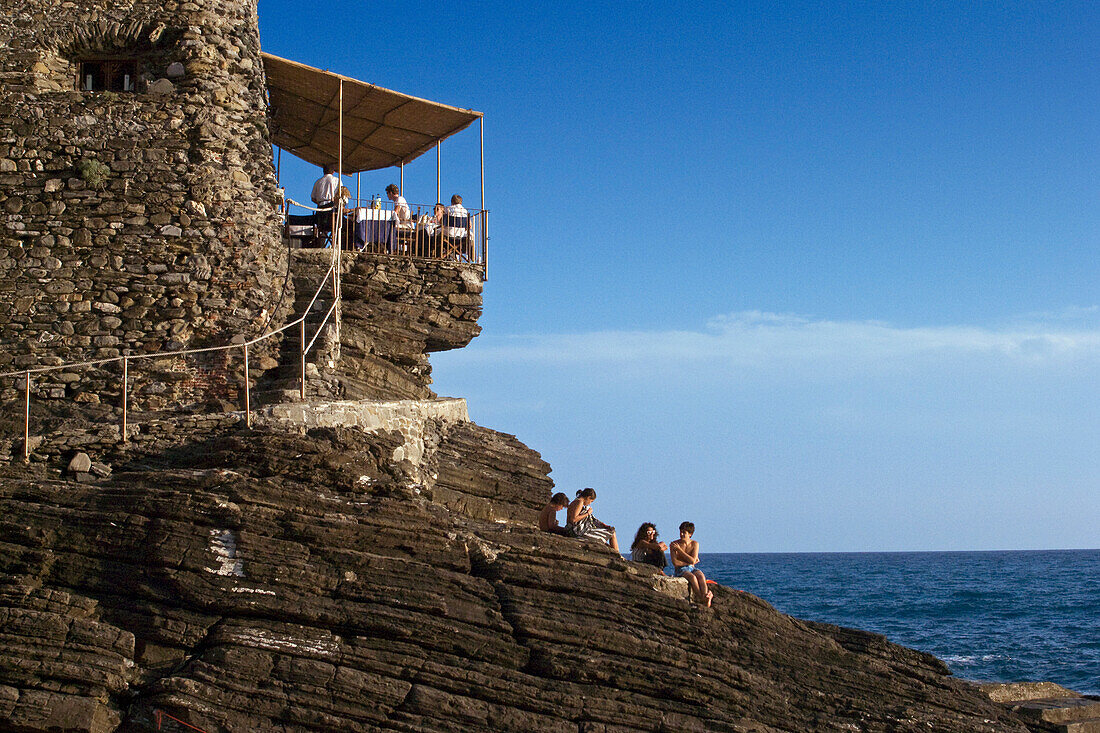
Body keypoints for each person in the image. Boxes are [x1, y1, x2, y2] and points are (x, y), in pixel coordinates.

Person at [669, 521, 712, 607]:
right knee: (692, 577)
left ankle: (706, 596)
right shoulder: (674, 545)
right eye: (680, 532)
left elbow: (692, 561)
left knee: (701, 575)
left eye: (684, 533)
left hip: (692, 568)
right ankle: (702, 599)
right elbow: (675, 563)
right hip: (680, 570)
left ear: (690, 534)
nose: (681, 534)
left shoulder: (694, 544)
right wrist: (690, 561)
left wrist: (680, 551)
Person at [565, 488, 619, 552]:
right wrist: (588, 513)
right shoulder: (579, 502)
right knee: (612, 533)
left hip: (578, 531)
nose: (590, 503)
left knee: (606, 544)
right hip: (577, 532)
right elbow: (574, 519)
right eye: (591, 501)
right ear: (588, 497)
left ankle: (616, 555)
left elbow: (592, 519)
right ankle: (618, 555)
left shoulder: (578, 502)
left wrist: (604, 525)